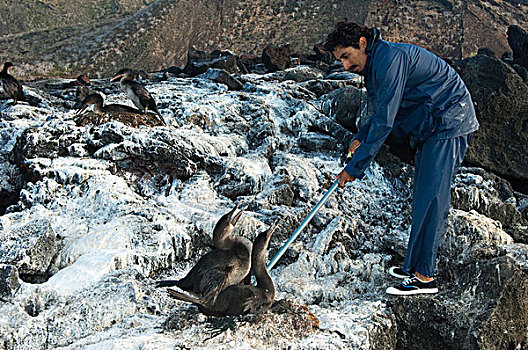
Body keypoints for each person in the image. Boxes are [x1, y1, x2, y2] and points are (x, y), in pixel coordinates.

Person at [323, 22, 479, 295]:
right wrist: (360, 136)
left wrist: (354, 168)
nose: (345, 67)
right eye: (340, 61)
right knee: (421, 195)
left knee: (432, 198)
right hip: (430, 125)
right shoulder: (375, 63)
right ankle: (412, 266)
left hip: (448, 121)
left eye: (346, 56)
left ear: (361, 43)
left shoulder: (390, 60)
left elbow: (385, 120)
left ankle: (424, 278)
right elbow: (378, 109)